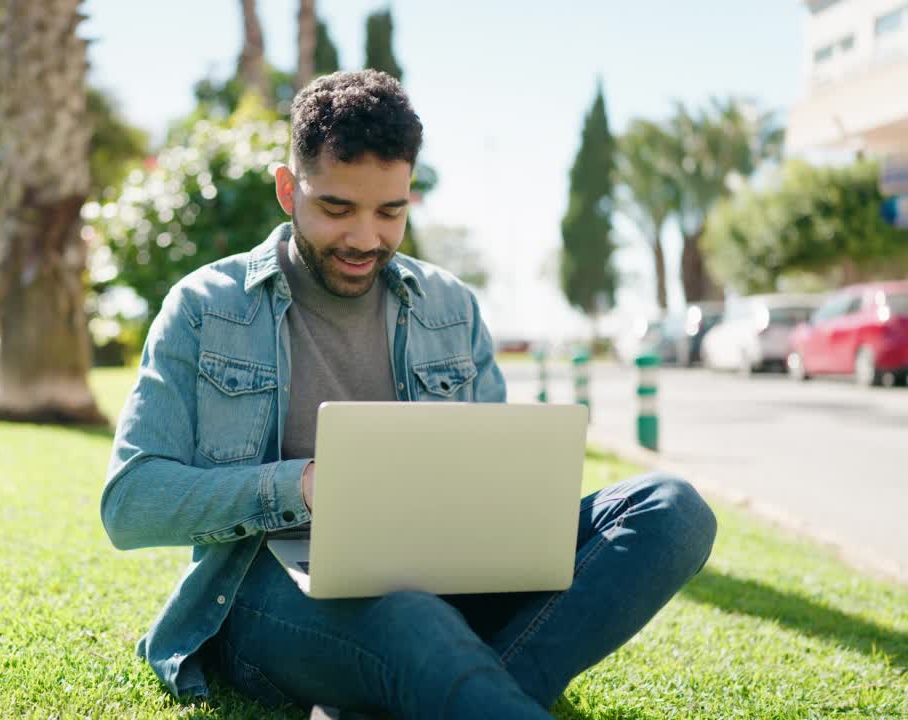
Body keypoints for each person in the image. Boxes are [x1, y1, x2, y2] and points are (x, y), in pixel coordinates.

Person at [101, 69, 717, 719]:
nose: (366, 238)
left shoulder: (450, 306)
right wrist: (304, 485)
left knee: (671, 509)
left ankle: (446, 683)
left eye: (389, 212)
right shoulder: (204, 307)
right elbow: (131, 502)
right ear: (289, 190)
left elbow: (491, 476)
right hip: (271, 592)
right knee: (412, 621)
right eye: (337, 208)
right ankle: (446, 677)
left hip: (445, 577)